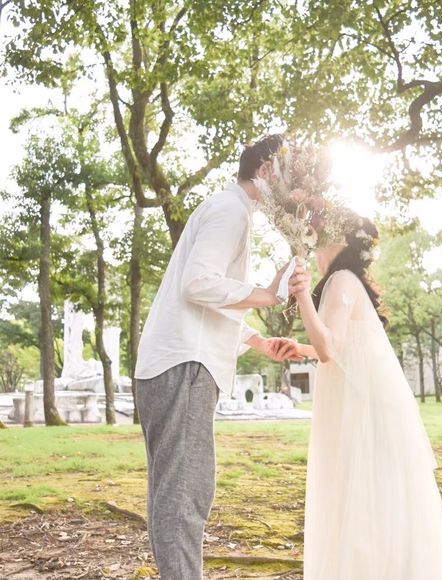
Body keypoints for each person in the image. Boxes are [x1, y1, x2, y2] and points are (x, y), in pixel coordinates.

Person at [134, 135, 302, 580]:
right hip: (184, 367)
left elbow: (201, 303)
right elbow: (198, 284)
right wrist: (267, 294)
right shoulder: (230, 211)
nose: (292, 188)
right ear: (265, 170)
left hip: (170, 364)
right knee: (185, 496)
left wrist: (256, 341)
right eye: (289, 175)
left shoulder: (223, 207)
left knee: (174, 494)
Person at [287, 216, 442, 579]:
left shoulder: (340, 279)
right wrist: (298, 348)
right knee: (372, 501)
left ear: (341, 238)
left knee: (360, 500)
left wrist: (302, 294)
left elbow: (329, 348)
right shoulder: (347, 280)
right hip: (362, 404)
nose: (316, 236)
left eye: (323, 229)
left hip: (359, 411)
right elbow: (340, 347)